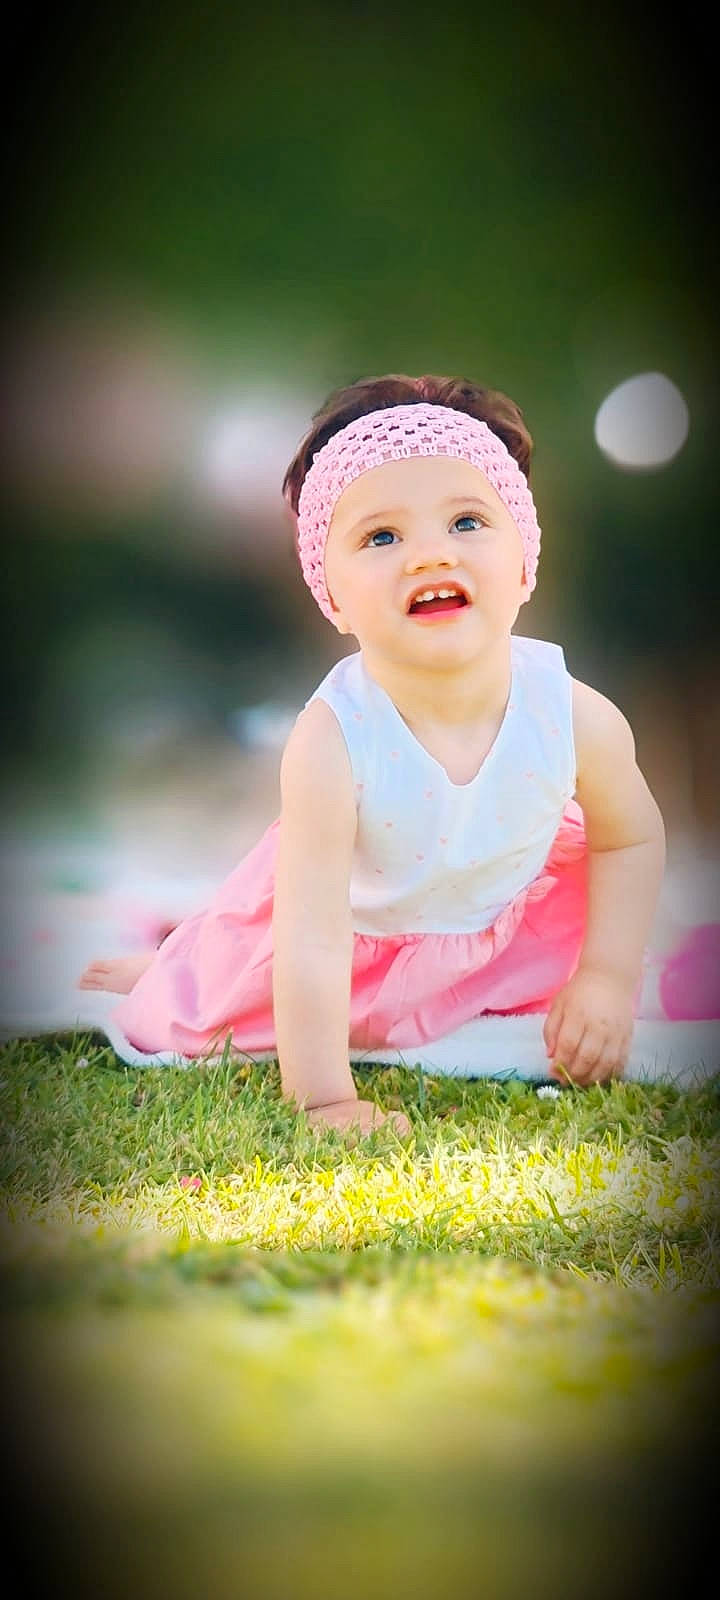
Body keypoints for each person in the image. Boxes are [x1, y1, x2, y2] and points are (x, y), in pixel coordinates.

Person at [79, 373, 669, 1137]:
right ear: (334, 596)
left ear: (524, 563)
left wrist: (605, 980)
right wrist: (324, 1097)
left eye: (466, 522)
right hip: (346, 927)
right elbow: (312, 937)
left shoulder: (574, 715)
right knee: (215, 989)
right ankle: (171, 964)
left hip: (491, 926)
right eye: (382, 537)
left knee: (547, 987)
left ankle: (187, 958)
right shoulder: (334, 741)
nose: (428, 555)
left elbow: (631, 836)